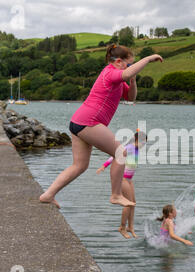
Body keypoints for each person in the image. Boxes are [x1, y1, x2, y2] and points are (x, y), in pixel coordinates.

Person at [39, 44, 163, 209]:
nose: (131, 67)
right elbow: (126, 73)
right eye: (129, 64)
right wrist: (148, 58)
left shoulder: (118, 78)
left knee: (79, 166)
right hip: (89, 121)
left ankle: (48, 195)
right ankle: (116, 195)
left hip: (79, 121)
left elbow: (131, 98)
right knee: (121, 153)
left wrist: (133, 82)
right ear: (118, 61)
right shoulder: (110, 72)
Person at [97, 130, 147, 239]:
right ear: (137, 140)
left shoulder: (137, 149)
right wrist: (104, 166)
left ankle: (131, 227)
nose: (144, 145)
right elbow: (114, 156)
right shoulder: (129, 148)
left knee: (133, 202)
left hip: (129, 180)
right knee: (128, 203)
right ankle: (122, 227)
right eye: (143, 142)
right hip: (123, 179)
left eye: (145, 143)